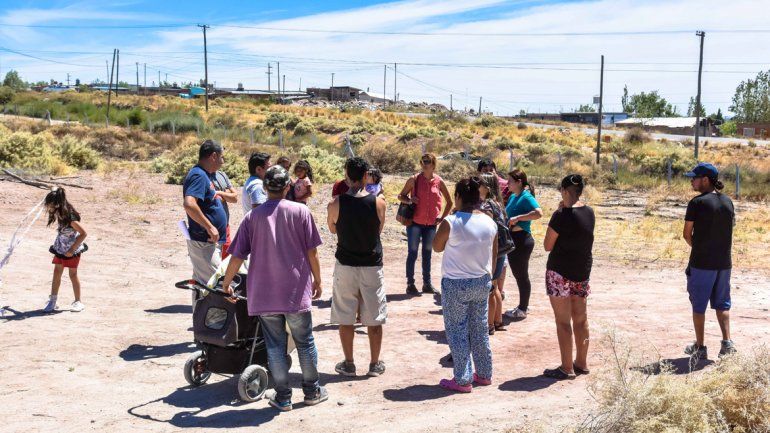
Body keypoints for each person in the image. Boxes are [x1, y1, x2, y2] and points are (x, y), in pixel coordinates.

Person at [221, 165, 328, 411]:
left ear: (266, 187)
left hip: (265, 294)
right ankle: (312, 391)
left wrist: (227, 283)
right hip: (295, 291)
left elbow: (236, 256)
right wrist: (318, 280)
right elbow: (312, 252)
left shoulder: (252, 218)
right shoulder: (301, 212)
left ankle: (283, 396)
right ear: (288, 187)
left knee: (275, 345)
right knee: (305, 341)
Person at [433, 177, 497, 392]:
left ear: (458, 197)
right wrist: (491, 278)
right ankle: (485, 373)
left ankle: (462, 378)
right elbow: (494, 252)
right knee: (479, 328)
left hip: (455, 283)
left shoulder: (451, 222)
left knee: (457, 330)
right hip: (482, 280)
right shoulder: (489, 221)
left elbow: (437, 247)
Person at [327, 157, 388, 378]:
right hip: (371, 264)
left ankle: (349, 362)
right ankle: (374, 363)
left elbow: (332, 229)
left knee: (345, 316)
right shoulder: (378, 202)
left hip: (345, 264)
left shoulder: (336, 203)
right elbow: (379, 229)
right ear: (365, 176)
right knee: (374, 315)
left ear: (347, 175)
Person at [542, 174, 594, 380]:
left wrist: (559, 211)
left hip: (559, 272)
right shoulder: (589, 212)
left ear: (564, 191)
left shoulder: (560, 216)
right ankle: (581, 363)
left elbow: (547, 245)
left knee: (563, 322)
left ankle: (566, 367)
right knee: (581, 319)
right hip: (581, 271)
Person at [682, 162, 736, 360]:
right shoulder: (728, 201)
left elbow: (687, 234)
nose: (692, 181)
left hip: (702, 263)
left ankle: (700, 347)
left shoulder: (697, 203)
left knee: (699, 306)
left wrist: (699, 248)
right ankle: (727, 343)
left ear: (705, 180)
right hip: (724, 263)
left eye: (694, 178)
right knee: (723, 305)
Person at [397, 153, 453, 295]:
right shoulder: (414, 180)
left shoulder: (439, 181)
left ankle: (427, 284)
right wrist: (410, 201)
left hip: (431, 225)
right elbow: (400, 196)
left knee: (427, 253)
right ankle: (410, 284)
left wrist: (442, 218)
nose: (424, 164)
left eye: (427, 162)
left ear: (433, 165)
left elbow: (450, 202)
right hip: (414, 223)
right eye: (422, 162)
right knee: (413, 253)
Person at [183, 140, 227, 287]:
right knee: (215, 285)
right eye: (221, 157)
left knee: (202, 284)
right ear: (214, 156)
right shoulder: (199, 175)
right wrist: (210, 227)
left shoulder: (205, 175)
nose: (222, 161)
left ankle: (199, 311)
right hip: (204, 243)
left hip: (207, 243)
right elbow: (189, 204)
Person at [504, 169, 543, 320]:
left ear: (519, 182)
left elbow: (538, 213)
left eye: (510, 181)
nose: (508, 184)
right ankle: (522, 305)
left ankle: (523, 308)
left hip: (522, 239)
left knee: (521, 275)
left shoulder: (526, 196)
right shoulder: (514, 196)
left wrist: (519, 218)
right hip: (514, 238)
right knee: (518, 274)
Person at [43, 188, 87, 313]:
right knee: (57, 272)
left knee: (73, 275)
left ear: (56, 204)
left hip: (71, 250)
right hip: (60, 248)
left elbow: (84, 233)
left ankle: (78, 301)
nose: (48, 207)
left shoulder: (70, 217)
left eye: (49, 204)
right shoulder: (60, 211)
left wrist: (72, 250)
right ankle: (53, 301)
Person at [479, 173, 507, 334]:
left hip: (492, 252)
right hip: (501, 250)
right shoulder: (498, 203)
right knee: (495, 287)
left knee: (490, 289)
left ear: (487, 188)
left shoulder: (487, 206)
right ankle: (497, 321)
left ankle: (489, 325)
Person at [211, 170, 238, 259]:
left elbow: (234, 198)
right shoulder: (202, 175)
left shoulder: (221, 174)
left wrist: (219, 193)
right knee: (213, 259)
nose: (222, 160)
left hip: (225, 225)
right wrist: (226, 195)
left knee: (227, 256)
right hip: (211, 227)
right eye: (220, 156)